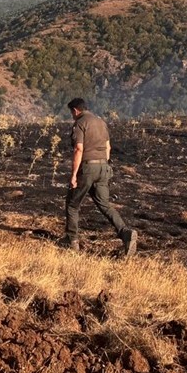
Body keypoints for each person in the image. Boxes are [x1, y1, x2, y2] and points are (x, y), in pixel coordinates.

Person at [60, 98, 137, 256]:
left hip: (88, 168)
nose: (72, 116)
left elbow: (79, 150)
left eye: (71, 113)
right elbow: (108, 147)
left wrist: (74, 175)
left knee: (72, 204)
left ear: (75, 111)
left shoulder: (80, 123)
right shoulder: (101, 122)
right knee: (105, 205)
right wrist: (104, 165)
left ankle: (71, 240)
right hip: (103, 166)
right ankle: (125, 232)